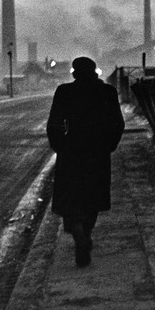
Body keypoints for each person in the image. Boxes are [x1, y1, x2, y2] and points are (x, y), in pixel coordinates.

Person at [47, 56, 125, 267]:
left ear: (74, 73)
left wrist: (60, 146)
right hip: (97, 152)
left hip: (71, 151)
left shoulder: (64, 92)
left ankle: (78, 232)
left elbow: (54, 124)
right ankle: (86, 231)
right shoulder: (107, 92)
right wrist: (109, 144)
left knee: (71, 196)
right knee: (93, 195)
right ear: (94, 72)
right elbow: (118, 123)